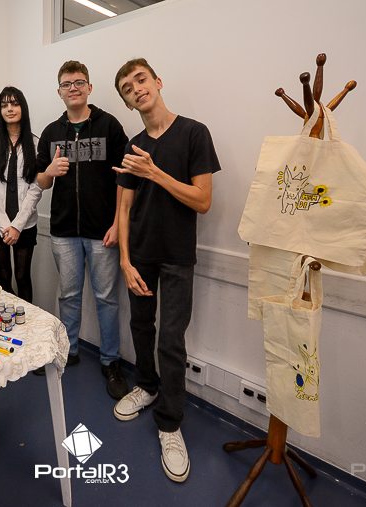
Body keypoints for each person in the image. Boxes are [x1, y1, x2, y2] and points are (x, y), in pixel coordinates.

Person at [112, 58, 222, 483]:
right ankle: (146, 385)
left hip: (177, 256)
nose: (136, 89)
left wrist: (155, 172)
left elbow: (202, 200)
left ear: (157, 82)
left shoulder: (194, 133)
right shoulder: (132, 146)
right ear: (127, 102)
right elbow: (124, 209)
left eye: (141, 80)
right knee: (141, 326)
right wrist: (125, 260)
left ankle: (170, 424)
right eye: (127, 88)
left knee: (171, 340)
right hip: (140, 254)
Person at [35, 60, 129, 400]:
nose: (73, 88)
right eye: (66, 84)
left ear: (89, 87)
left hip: (103, 231)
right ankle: (69, 350)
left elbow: (125, 178)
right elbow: (40, 182)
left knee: (106, 298)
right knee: (69, 295)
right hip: (64, 231)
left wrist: (117, 223)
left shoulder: (109, 125)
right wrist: (49, 171)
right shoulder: (51, 132)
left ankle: (110, 361)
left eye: (79, 82)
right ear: (59, 92)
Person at [0, 87, 42, 301]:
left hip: (25, 224)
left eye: (14, 104)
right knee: (3, 278)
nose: (10, 109)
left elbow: (36, 188)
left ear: (23, 107)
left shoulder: (35, 143)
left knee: (23, 277)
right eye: (4, 105)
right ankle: (6, 319)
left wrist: (17, 226)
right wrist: (5, 226)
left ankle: (27, 321)